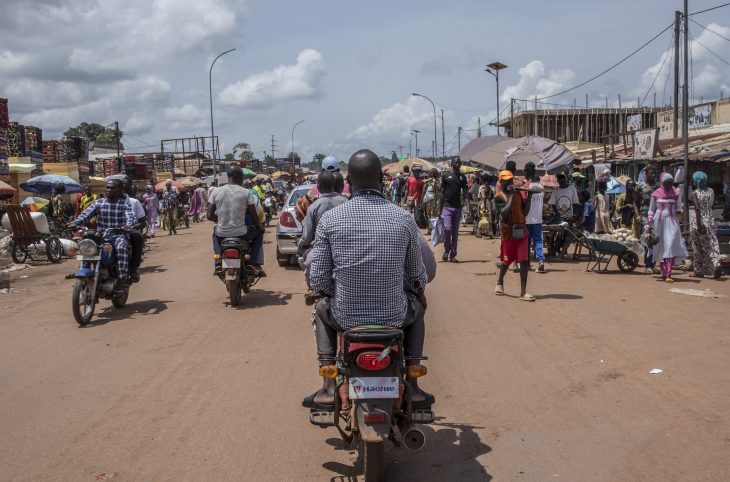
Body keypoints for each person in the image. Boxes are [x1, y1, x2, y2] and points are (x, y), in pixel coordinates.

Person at [304, 148, 432, 407]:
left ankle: (329, 386)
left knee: (320, 308)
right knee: (418, 306)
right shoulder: (403, 218)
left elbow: (317, 280)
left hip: (345, 318)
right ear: (382, 180)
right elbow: (418, 276)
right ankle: (414, 386)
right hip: (395, 318)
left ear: (348, 181)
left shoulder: (330, 220)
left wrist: (335, 291)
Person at [72, 179, 135, 296]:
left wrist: (127, 226)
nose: (109, 190)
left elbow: (130, 217)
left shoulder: (124, 203)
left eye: (112, 188)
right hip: (101, 236)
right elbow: (86, 214)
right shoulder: (99, 203)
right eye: (107, 187)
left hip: (118, 235)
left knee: (121, 248)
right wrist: (75, 223)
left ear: (119, 190)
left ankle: (121, 281)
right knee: (86, 246)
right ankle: (84, 276)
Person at [207, 166, 266, 277]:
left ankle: (218, 261)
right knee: (259, 233)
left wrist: (220, 220)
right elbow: (254, 216)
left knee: (215, 234)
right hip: (242, 233)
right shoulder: (247, 193)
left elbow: (209, 215)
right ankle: (255, 263)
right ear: (239, 178)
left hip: (221, 234)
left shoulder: (216, 192)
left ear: (228, 177)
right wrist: (260, 227)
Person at [298, 172, 348, 288]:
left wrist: (300, 243)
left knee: (309, 265)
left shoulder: (314, 207)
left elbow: (307, 236)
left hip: (320, 248)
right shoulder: (346, 202)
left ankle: (313, 288)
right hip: (346, 247)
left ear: (318, 187)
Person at [494, 170, 534, 301]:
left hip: (521, 231)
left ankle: (523, 292)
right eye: (506, 180)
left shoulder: (518, 195)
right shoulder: (498, 197)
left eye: (510, 180)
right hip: (508, 234)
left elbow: (525, 212)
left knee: (523, 260)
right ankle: (500, 282)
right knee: (506, 261)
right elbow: (503, 213)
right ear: (501, 181)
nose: (509, 182)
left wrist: (530, 197)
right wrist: (510, 196)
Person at [648, 172, 687, 283]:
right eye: (666, 183)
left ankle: (669, 272)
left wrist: (680, 211)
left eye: (670, 182)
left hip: (672, 221)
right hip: (658, 222)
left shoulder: (676, 193)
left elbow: (680, 207)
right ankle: (664, 272)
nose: (669, 185)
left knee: (670, 244)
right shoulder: (656, 193)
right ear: (662, 182)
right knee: (662, 246)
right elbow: (651, 209)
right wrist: (650, 220)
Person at [689, 171, 721, 278]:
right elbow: (712, 206)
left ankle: (699, 270)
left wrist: (699, 226)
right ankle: (716, 264)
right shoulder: (711, 191)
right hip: (710, 221)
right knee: (712, 245)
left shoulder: (695, 193)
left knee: (698, 247)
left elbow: (697, 209)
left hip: (699, 222)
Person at [439, 156, 468, 262]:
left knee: (455, 232)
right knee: (448, 229)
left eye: (459, 163)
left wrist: (467, 206)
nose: (458, 164)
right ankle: (447, 250)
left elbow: (465, 194)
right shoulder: (445, 176)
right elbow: (442, 193)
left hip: (457, 208)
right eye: (456, 163)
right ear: (452, 164)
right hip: (447, 207)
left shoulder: (463, 177)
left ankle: (453, 255)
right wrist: (439, 208)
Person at [548, 173, 581, 257]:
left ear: (566, 179)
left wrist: (574, 216)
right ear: (558, 181)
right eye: (560, 180)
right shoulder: (555, 190)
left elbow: (576, 203)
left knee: (564, 234)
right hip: (559, 218)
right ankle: (556, 250)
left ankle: (556, 251)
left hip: (569, 218)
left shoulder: (572, 189)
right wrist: (557, 214)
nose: (562, 182)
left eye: (563, 180)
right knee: (557, 234)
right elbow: (552, 204)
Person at [638, 163, 660, 273]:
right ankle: (648, 265)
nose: (653, 175)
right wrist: (637, 215)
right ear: (646, 174)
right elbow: (635, 201)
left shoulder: (659, 187)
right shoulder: (641, 186)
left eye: (655, 173)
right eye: (651, 173)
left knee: (655, 240)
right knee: (648, 239)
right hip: (645, 216)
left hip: (657, 216)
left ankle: (653, 264)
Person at [122, 181, 146, 283]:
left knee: (136, 238)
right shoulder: (104, 202)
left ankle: (133, 269)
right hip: (111, 233)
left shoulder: (134, 202)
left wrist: (131, 227)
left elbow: (142, 222)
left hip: (129, 231)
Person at [523, 162, 545, 272]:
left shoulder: (526, 186)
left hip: (527, 219)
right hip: (538, 219)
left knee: (526, 242)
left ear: (526, 173)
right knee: (538, 241)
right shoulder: (541, 187)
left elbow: (524, 203)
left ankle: (527, 263)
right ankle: (541, 261)